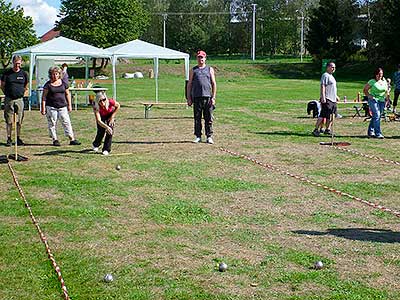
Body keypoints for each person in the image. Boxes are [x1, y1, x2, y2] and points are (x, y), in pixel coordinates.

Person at [41, 66, 81, 146]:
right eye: (53, 74)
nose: (55, 76)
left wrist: (69, 105)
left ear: (59, 74)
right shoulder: (48, 85)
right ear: (50, 75)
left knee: (66, 122)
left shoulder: (64, 83)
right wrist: (43, 108)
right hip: (51, 107)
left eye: (56, 74)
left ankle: (72, 139)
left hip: (62, 107)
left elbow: (67, 94)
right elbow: (44, 97)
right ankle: (55, 139)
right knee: (52, 123)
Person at [186, 50, 217, 144]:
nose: (200, 59)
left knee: (208, 118)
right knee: (197, 118)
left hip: (207, 97)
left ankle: (209, 136)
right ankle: (198, 136)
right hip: (196, 97)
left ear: (205, 58)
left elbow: (213, 83)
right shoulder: (193, 70)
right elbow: (189, 84)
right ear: (197, 58)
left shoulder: (209, 69)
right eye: (199, 57)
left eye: (202, 57)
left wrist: (213, 97)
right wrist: (189, 98)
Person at [0, 55, 28, 146]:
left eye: (19, 63)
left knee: (19, 121)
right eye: (16, 63)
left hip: (19, 100)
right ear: (13, 63)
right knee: (9, 121)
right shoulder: (7, 73)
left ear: (21, 63)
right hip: (9, 99)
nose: (17, 65)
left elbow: (25, 86)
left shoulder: (24, 74)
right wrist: (8, 94)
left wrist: (21, 92)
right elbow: (2, 85)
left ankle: (18, 138)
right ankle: (9, 138)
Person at [312, 61, 339, 136]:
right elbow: (323, 86)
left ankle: (328, 129)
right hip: (327, 99)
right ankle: (316, 129)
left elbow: (332, 88)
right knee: (323, 115)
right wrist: (323, 97)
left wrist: (336, 96)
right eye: (332, 67)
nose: (333, 69)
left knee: (332, 115)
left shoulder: (332, 76)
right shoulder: (325, 75)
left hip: (333, 99)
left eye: (334, 67)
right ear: (328, 67)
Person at [91, 91, 120, 155]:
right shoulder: (96, 107)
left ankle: (106, 149)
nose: (102, 102)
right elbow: (99, 121)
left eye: (104, 100)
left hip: (109, 115)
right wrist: (106, 127)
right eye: (100, 101)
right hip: (101, 117)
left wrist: (112, 117)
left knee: (110, 131)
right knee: (101, 131)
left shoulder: (110, 102)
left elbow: (118, 106)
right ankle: (96, 144)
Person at [363, 67, 388, 139]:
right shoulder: (372, 81)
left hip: (382, 100)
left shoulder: (384, 81)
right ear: (376, 74)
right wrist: (369, 95)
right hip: (373, 100)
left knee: (377, 116)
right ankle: (378, 133)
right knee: (377, 115)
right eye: (379, 74)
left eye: (381, 74)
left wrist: (387, 99)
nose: (380, 75)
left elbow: (386, 91)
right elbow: (365, 90)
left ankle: (370, 131)